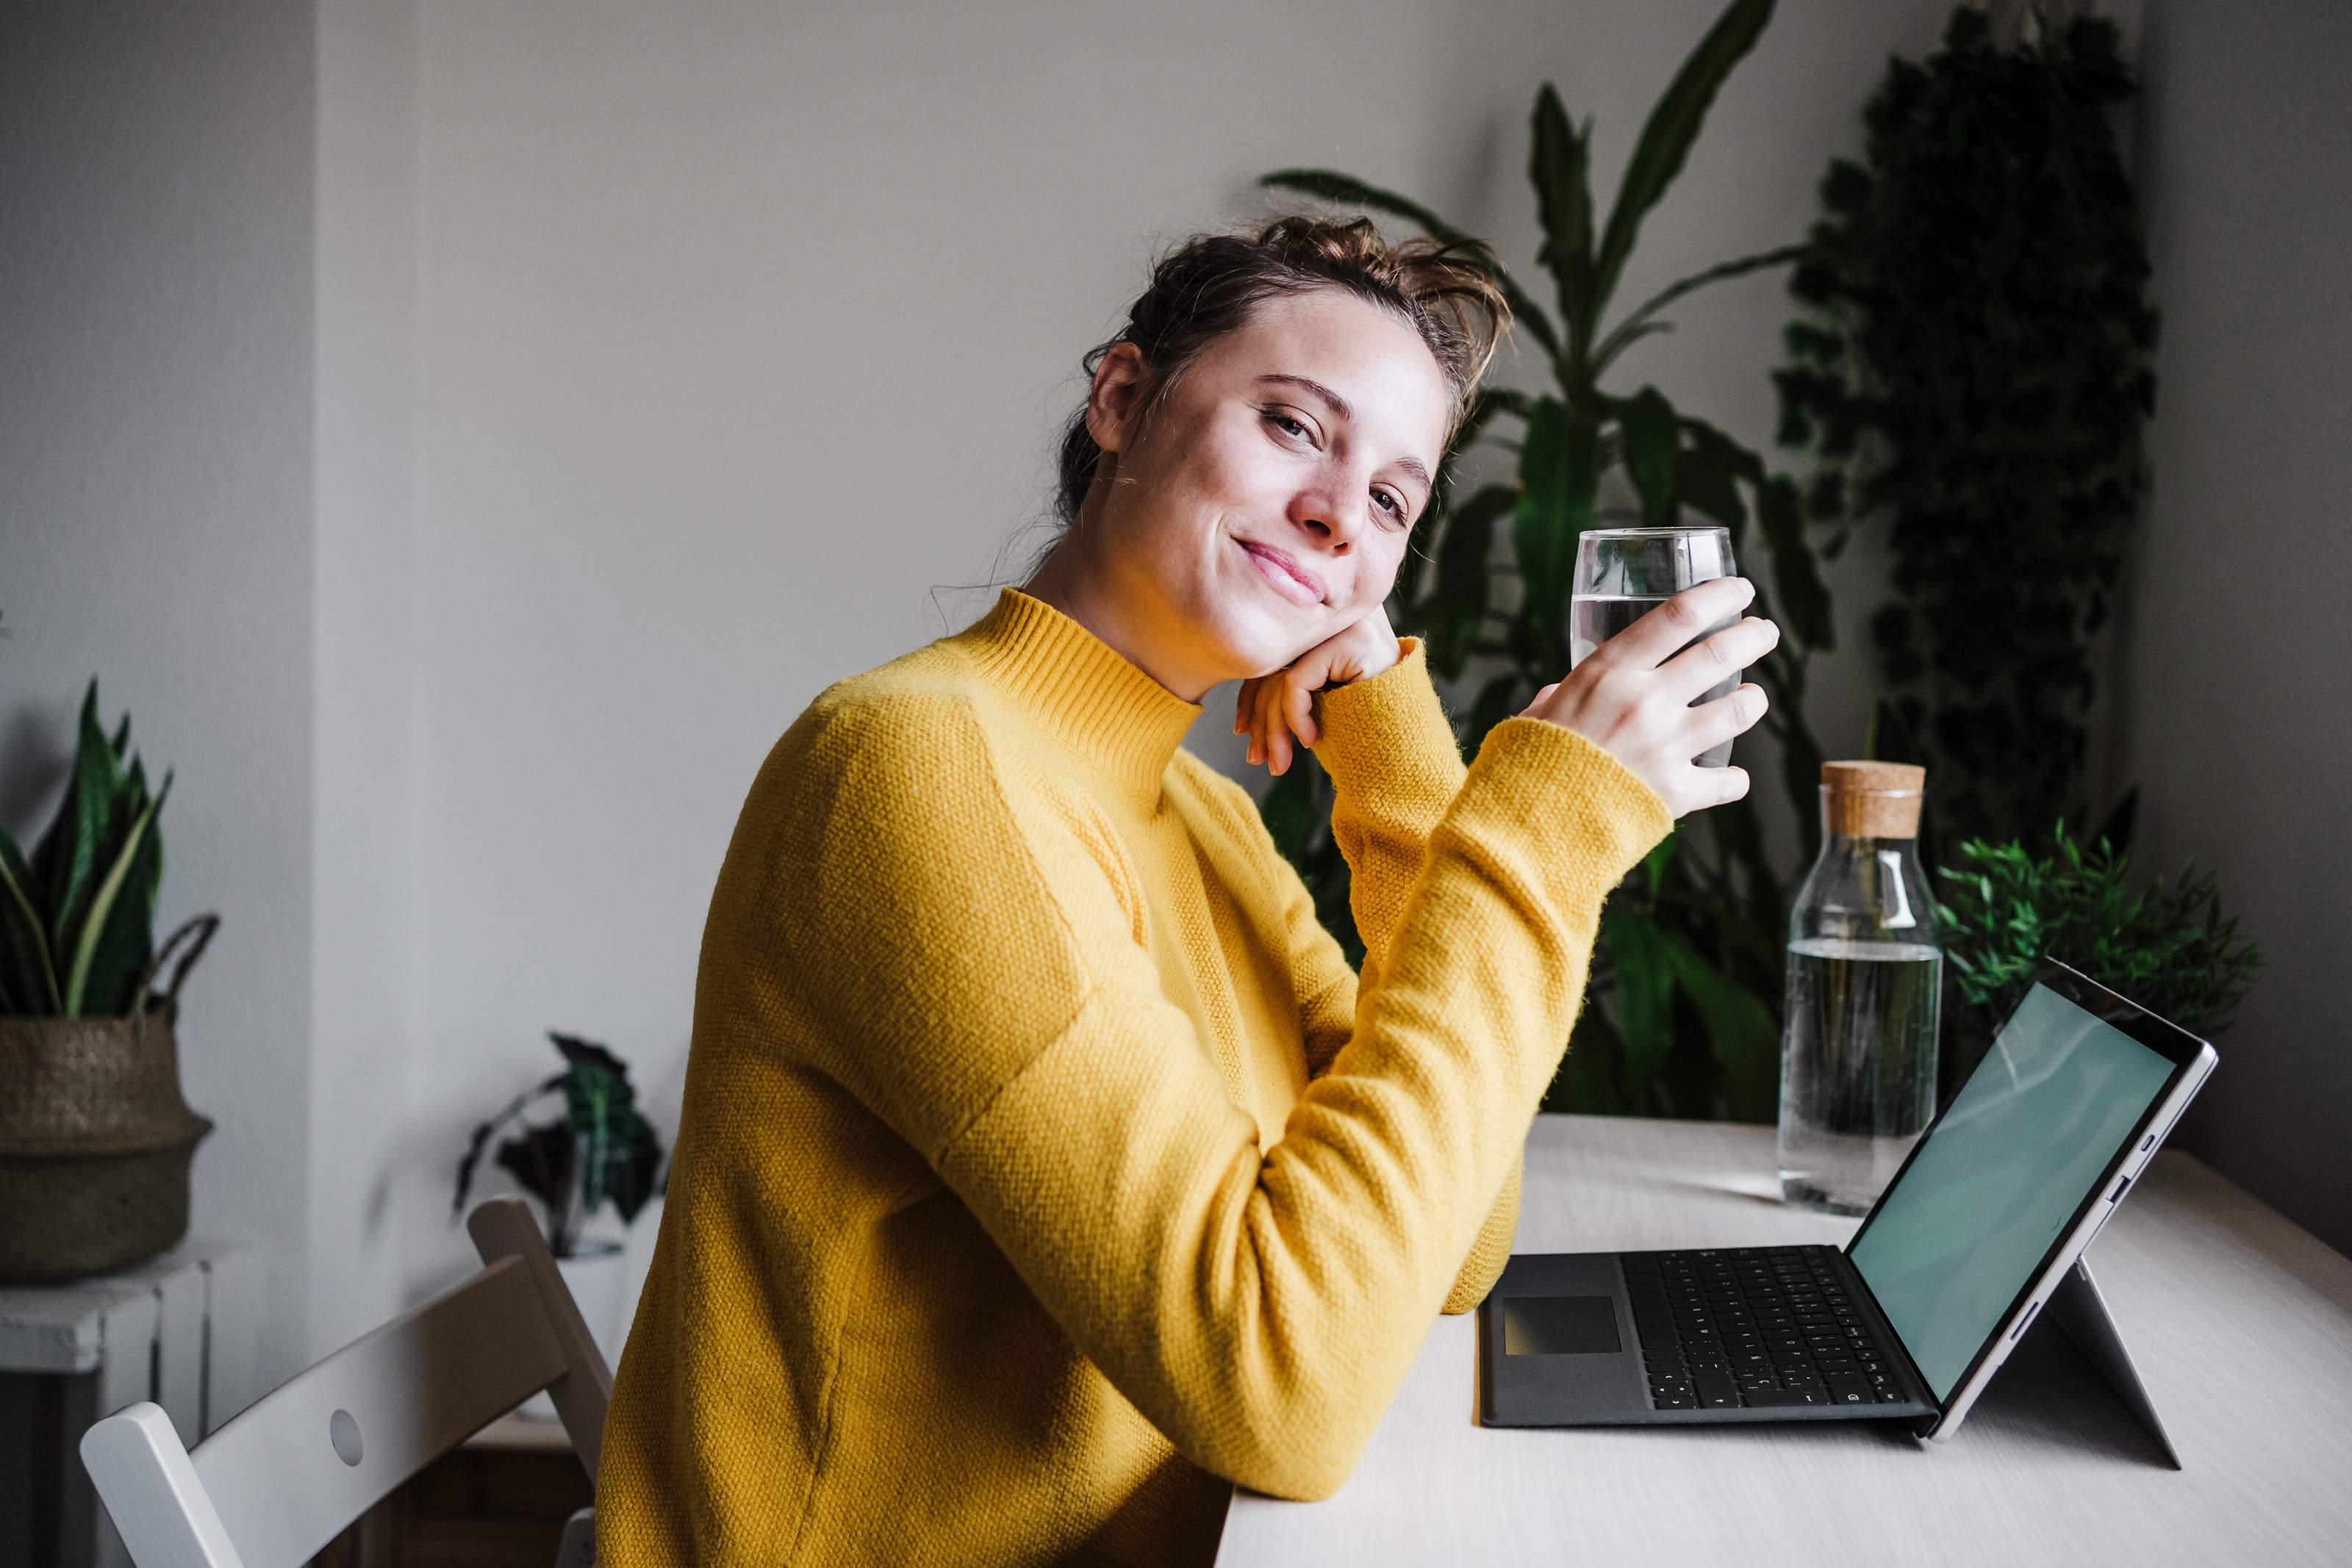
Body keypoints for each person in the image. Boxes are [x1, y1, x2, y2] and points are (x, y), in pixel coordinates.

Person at [600, 217, 1778, 1566]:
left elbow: (1454, 1246)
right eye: (1292, 426)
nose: (1343, 510)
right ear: (1121, 400)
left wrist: (1393, 757)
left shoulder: (1205, 817)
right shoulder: (916, 768)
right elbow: (1281, 1389)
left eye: (1394, 498)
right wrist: (1539, 838)